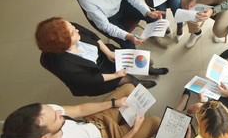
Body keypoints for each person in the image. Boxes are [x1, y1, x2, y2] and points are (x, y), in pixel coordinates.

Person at [2, 84, 160, 138]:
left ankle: (131, 121)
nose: (59, 112)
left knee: (129, 89)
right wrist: (134, 131)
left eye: (51, 109)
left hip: (95, 122)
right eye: (57, 118)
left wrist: (114, 103)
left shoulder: (46, 114)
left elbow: (79, 109)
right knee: (155, 121)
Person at [36, 17, 169, 96]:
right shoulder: (63, 65)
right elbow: (91, 79)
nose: (76, 29)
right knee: (128, 78)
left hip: (103, 54)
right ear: (65, 43)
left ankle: (152, 70)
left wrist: (108, 52)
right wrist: (117, 75)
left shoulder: (68, 27)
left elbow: (93, 36)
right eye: (72, 32)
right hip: (96, 74)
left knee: (135, 61)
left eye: (72, 27)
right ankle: (139, 83)